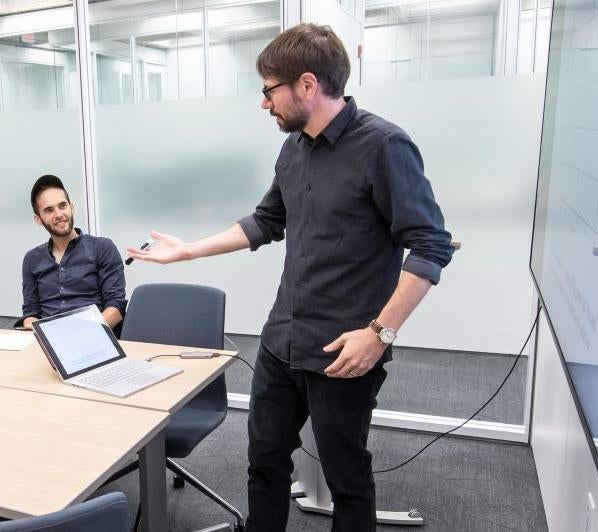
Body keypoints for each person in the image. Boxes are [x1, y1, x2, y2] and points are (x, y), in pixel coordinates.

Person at [126, 24, 455, 532]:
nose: (264, 104)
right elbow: (266, 221)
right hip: (283, 342)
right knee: (264, 464)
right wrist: (187, 251)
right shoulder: (294, 148)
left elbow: (430, 244)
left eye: (268, 90)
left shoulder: (384, 146)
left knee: (347, 478)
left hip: (344, 352)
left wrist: (380, 334)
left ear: (306, 84)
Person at [19, 174, 127, 330]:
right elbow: (30, 312)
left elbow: (116, 308)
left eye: (62, 206)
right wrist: (32, 327)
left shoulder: (102, 248)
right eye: (49, 210)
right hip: (48, 340)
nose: (58, 214)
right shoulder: (31, 259)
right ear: (38, 219)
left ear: (72, 207)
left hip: (95, 336)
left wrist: (83, 335)